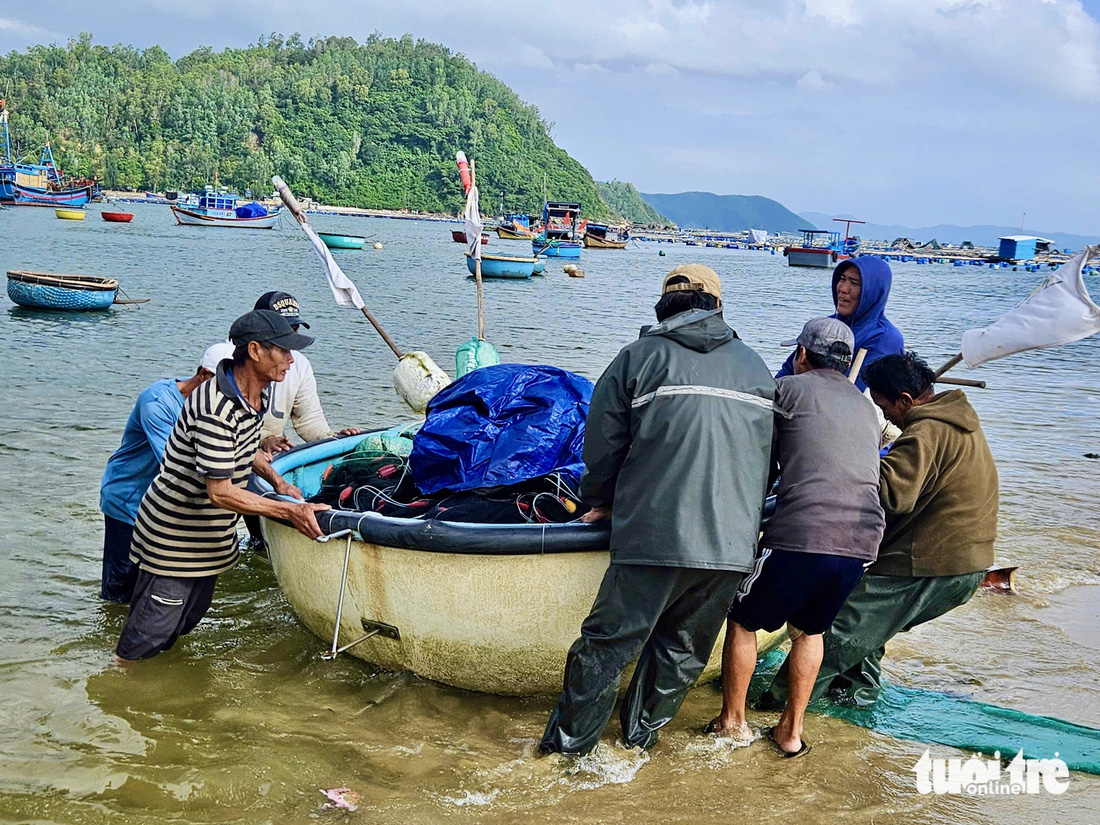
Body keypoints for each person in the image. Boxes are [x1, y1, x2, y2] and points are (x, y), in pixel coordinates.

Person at [539, 264, 776, 756]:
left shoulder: (637, 358)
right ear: (717, 307)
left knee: (606, 647)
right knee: (682, 651)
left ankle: (566, 753)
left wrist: (600, 502)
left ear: (662, 307)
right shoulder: (757, 369)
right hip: (732, 545)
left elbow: (602, 446)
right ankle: (637, 744)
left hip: (654, 535)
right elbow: (769, 460)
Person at [758, 351, 998, 709]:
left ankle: (776, 705)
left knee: (837, 628)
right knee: (869, 624)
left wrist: (849, 454)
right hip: (965, 562)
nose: (884, 416)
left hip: (933, 562)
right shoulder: (955, 423)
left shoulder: (926, 432)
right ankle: (856, 694)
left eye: (884, 408)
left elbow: (894, 493)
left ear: (905, 400)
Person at [706, 318, 884, 758]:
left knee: (744, 618)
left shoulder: (785, 390)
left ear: (802, 355)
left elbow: (757, 465)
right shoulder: (867, 409)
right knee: (810, 629)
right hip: (862, 542)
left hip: (804, 532)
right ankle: (790, 733)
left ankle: (733, 722)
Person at [114, 310, 331, 663]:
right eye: (284, 350)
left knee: (180, 627)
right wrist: (291, 511)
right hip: (175, 542)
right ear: (256, 351)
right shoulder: (216, 407)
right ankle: (115, 700)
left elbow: (243, 449)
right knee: (144, 640)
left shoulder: (253, 396)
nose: (292, 360)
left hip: (208, 541)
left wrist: (278, 481)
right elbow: (221, 491)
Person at [99, 342, 234, 603]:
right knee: (119, 591)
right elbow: (174, 463)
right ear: (204, 375)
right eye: (223, 386)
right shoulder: (157, 403)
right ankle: (110, 636)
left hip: (163, 506)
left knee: (155, 589)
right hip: (128, 500)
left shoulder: (213, 408)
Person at [252, 291, 360, 453]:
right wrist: (264, 438)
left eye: (293, 330)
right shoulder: (233, 362)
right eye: (283, 332)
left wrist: (332, 438)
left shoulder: (298, 364)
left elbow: (308, 420)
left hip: (271, 454)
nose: (290, 339)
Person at [776, 257, 904, 392]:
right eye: (842, 279)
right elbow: (784, 374)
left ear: (874, 291)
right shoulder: (826, 327)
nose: (843, 289)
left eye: (854, 283)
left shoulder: (884, 339)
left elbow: (854, 393)